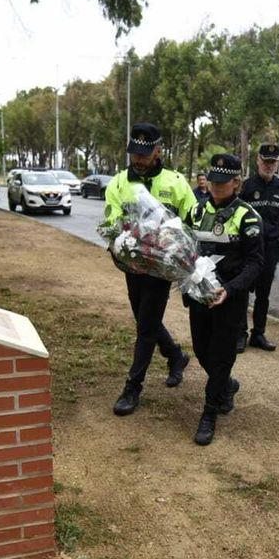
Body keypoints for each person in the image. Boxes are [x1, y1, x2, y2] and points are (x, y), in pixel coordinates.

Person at [101, 122, 196, 417]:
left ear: (158, 150)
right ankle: (175, 355)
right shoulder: (118, 182)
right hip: (132, 264)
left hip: (161, 268)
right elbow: (111, 220)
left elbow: (191, 220)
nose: (139, 159)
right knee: (146, 321)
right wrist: (119, 238)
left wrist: (176, 245)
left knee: (145, 327)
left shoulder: (176, 182)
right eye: (135, 153)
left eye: (145, 153)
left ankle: (133, 387)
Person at [183, 154, 266, 446]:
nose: (216, 187)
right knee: (201, 351)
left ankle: (209, 413)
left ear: (236, 182)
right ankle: (227, 386)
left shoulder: (248, 216)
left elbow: (256, 263)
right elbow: (185, 249)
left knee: (221, 356)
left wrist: (230, 290)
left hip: (229, 299)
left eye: (223, 183)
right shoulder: (195, 211)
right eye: (213, 181)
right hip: (199, 296)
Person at [238, 143, 279, 351]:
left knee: (264, 293)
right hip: (248, 248)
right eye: (266, 161)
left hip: (270, 248)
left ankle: (258, 333)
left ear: (277, 164)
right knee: (243, 291)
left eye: (273, 162)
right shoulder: (247, 187)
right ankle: (240, 334)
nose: (269, 165)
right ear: (258, 161)